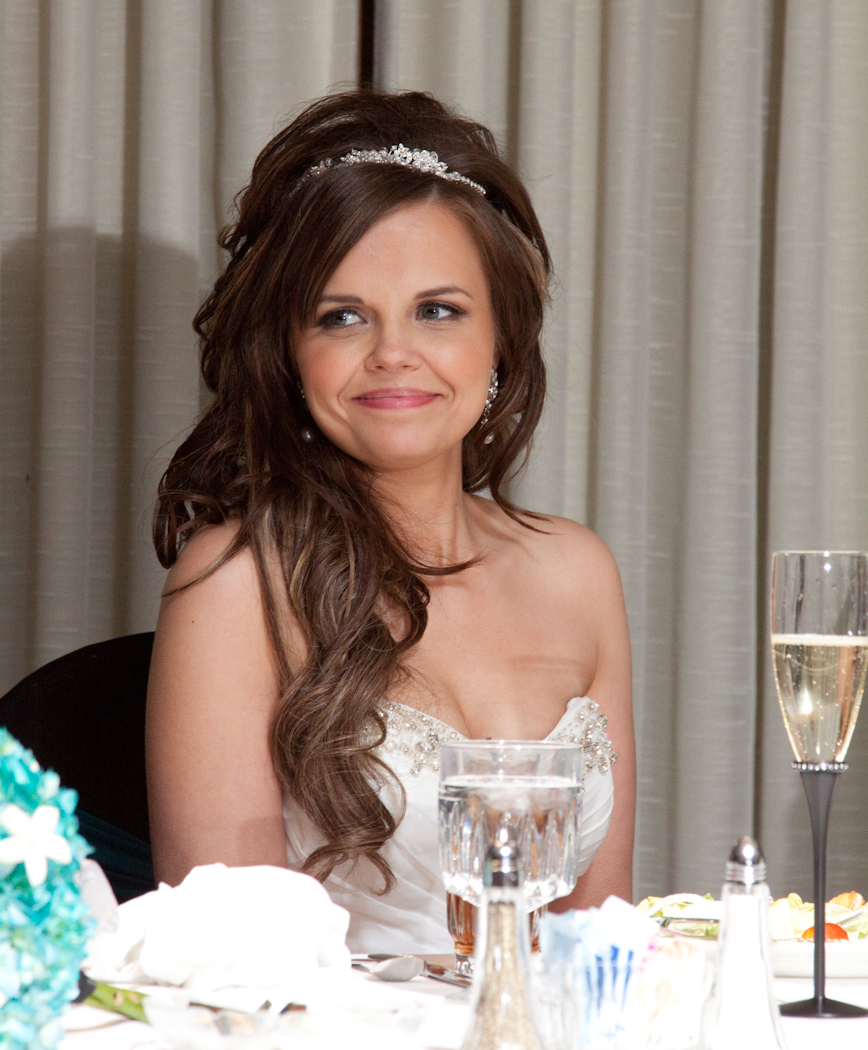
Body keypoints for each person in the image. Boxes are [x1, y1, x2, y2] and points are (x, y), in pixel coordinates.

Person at [146, 89, 635, 954]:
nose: (392, 354)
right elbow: (231, 966)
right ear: (291, 356)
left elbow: (599, 945)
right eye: (342, 317)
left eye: (437, 310)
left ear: (501, 341)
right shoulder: (234, 587)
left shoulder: (577, 572)